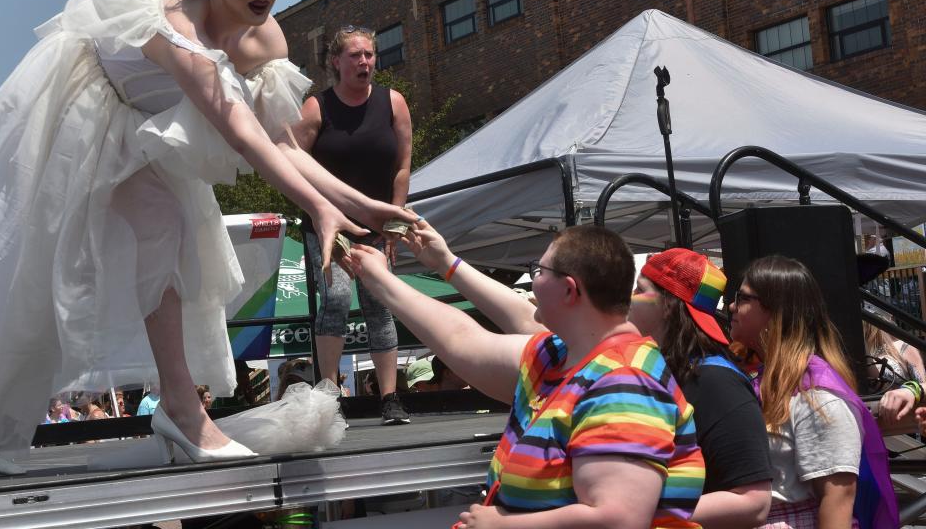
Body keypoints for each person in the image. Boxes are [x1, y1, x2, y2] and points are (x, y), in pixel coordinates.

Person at [0, 0, 411, 476]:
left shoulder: (265, 41)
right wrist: (317, 206)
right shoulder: (172, 25)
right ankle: (8, 417)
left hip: (148, 134)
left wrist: (357, 203)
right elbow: (236, 130)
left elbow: (277, 139)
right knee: (22, 265)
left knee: (171, 239)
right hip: (86, 110)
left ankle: (180, 408)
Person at [351, 224, 705, 528]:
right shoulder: (560, 355)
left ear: (569, 289)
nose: (533, 280)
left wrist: (504, 524)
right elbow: (464, 340)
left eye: (540, 270)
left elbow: (620, 518)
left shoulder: (626, 383)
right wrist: (389, 275)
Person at [293, 26, 413, 426]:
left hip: (378, 225)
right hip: (331, 228)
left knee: (381, 303)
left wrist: (395, 220)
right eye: (355, 55)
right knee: (338, 300)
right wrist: (316, 211)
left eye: (369, 55)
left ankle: (390, 398)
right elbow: (287, 162)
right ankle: (330, 397)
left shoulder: (393, 102)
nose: (364, 62)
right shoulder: (316, 107)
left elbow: (403, 166)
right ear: (336, 62)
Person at [728, 255, 897, 529]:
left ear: (776, 312)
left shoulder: (817, 395)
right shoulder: (769, 381)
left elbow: (838, 498)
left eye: (743, 298)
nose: (732, 305)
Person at [628, 249, 772, 528]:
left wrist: (639, 513)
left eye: (640, 289)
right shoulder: (661, 369)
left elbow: (753, 502)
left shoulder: (716, 382)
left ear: (668, 305)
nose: (630, 299)